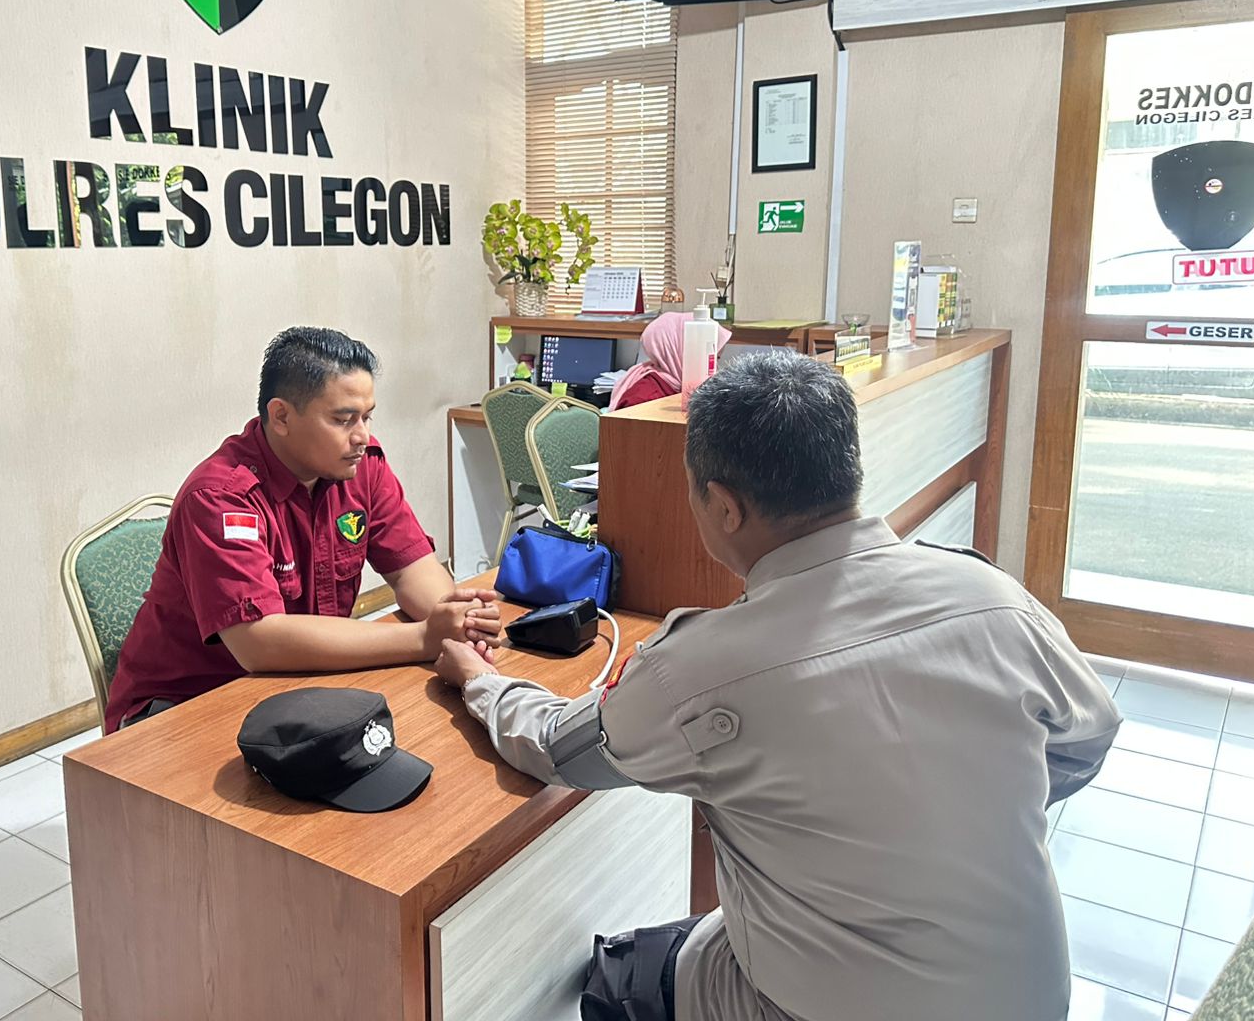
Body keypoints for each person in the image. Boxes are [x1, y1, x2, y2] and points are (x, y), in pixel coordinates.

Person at [435, 349, 1121, 1021]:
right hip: (1030, 996)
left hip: (818, 1005)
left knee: (621, 978)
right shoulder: (991, 595)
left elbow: (562, 750)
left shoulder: (701, 667)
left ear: (724, 507)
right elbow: (1089, 737)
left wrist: (479, 679)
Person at [106, 327, 501, 732]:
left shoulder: (360, 466)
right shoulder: (221, 498)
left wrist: (456, 620)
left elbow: (410, 568)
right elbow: (259, 642)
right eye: (343, 419)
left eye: (367, 417)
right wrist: (423, 639)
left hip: (292, 686)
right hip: (184, 706)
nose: (362, 436)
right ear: (281, 416)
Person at [608, 311, 733, 411]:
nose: (715, 369)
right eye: (712, 360)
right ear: (681, 352)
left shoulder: (681, 389)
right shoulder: (642, 399)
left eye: (716, 359)